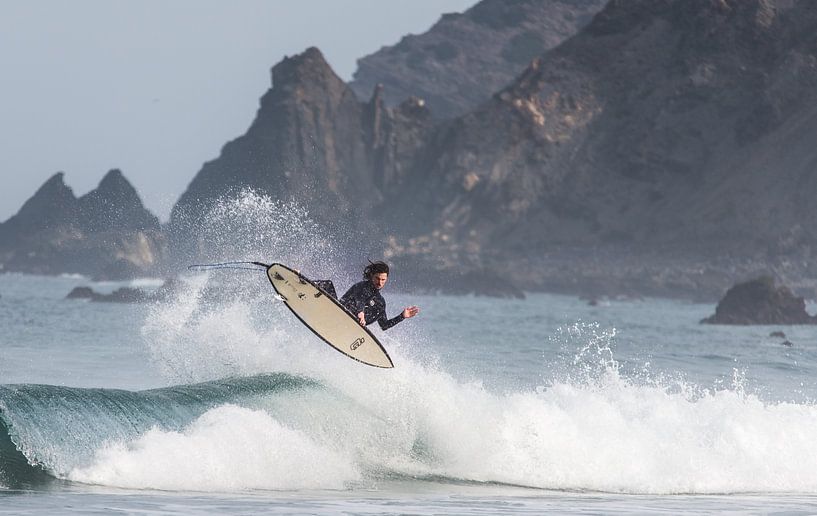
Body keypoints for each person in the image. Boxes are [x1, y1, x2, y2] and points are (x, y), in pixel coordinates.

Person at [340, 261, 419, 329]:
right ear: (372, 276)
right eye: (377, 278)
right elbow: (360, 298)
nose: (380, 283)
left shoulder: (380, 302)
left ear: (386, 279)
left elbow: (384, 325)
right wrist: (360, 312)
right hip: (341, 311)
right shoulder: (361, 286)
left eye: (383, 280)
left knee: (378, 308)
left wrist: (402, 316)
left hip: (353, 326)